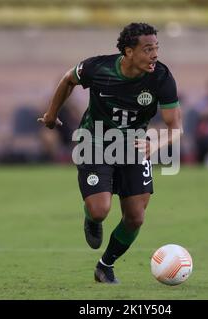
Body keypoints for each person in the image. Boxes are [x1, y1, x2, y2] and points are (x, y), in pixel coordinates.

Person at [37, 23, 182, 284]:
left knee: (136, 217)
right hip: (94, 142)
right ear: (128, 52)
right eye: (148, 49)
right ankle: (91, 217)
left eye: (156, 48)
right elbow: (68, 79)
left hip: (135, 146)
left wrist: (155, 144)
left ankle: (105, 266)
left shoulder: (161, 77)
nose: (155, 55)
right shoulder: (98, 68)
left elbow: (176, 128)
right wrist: (51, 114)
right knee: (100, 210)